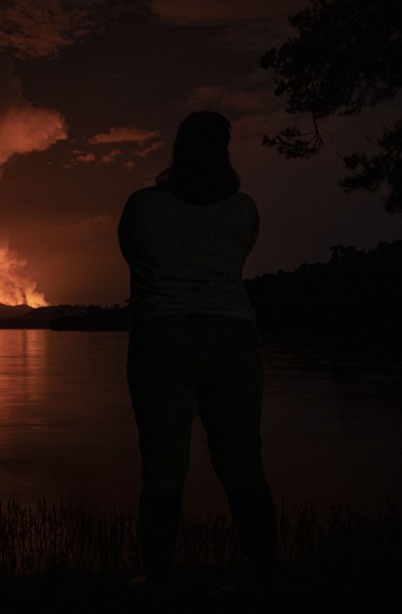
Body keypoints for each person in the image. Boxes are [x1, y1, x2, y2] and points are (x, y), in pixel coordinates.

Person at [118, 111, 278, 590]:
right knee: (243, 462)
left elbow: (137, 263)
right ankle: (267, 574)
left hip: (162, 340)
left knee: (163, 467)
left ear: (178, 151)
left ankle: (159, 579)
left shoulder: (143, 207)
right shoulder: (243, 210)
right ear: (223, 152)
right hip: (233, 339)